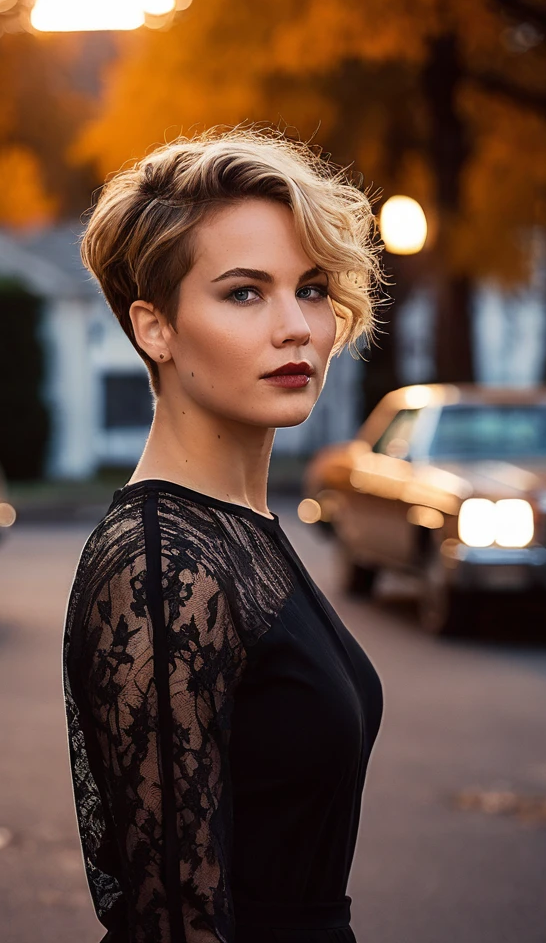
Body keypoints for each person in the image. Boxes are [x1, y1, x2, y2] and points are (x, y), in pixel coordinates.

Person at [62, 127, 387, 943]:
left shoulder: (240, 528)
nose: (297, 328)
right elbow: (177, 920)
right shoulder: (161, 565)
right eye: (245, 292)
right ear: (155, 328)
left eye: (311, 288)